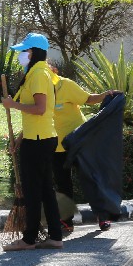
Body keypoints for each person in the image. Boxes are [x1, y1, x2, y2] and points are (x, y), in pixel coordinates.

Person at [1, 33, 64, 252]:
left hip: (38, 141)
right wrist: (19, 139)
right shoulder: (39, 72)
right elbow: (36, 117)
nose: (21, 54)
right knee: (46, 190)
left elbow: (39, 109)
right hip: (40, 137)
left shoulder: (38, 74)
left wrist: (12, 105)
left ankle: (29, 239)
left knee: (33, 191)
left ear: (34, 52)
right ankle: (55, 236)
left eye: (24, 51)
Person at [46, 57, 120, 234]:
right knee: (63, 184)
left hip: (78, 140)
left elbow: (88, 98)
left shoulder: (66, 85)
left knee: (91, 178)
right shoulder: (38, 92)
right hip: (56, 145)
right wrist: (20, 139)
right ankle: (66, 221)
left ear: (53, 72)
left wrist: (105, 95)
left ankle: (103, 216)